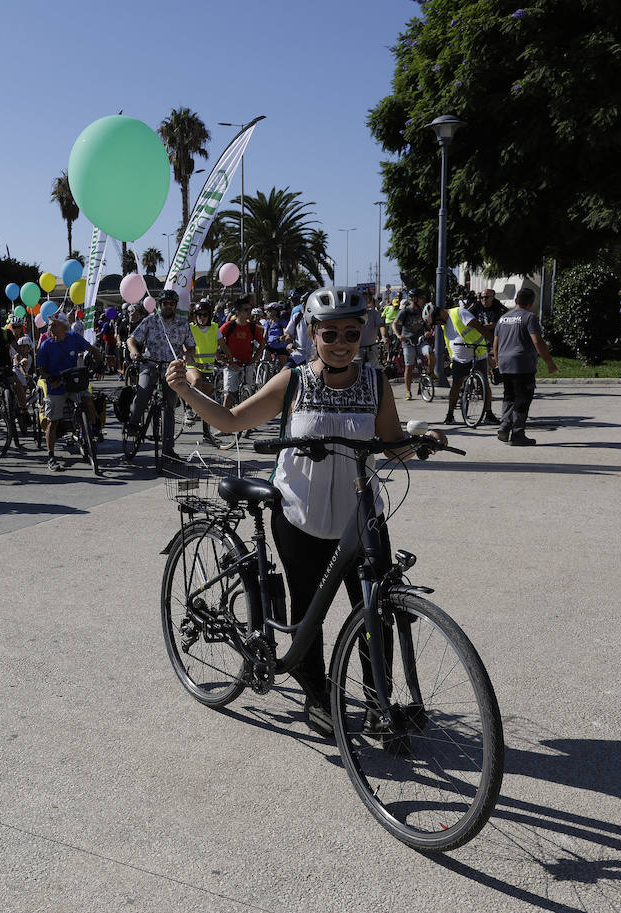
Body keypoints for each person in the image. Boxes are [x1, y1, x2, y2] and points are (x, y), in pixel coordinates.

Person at [164, 287, 448, 736]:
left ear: (363, 334)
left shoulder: (375, 383)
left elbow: (392, 447)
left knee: (377, 610)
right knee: (308, 612)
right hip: (299, 515)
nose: (341, 342)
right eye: (329, 333)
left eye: (351, 333)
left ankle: (379, 701)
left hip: (361, 517)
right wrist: (186, 390)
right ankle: (315, 694)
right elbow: (232, 420)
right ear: (312, 333)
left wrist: (423, 440)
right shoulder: (293, 379)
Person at [125, 288, 194, 460]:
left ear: (175, 306)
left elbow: (191, 345)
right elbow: (131, 340)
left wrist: (187, 354)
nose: (168, 307)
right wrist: (134, 352)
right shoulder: (150, 321)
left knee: (169, 406)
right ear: (159, 305)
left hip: (172, 368)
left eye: (171, 304)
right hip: (150, 363)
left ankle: (168, 449)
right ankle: (133, 424)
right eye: (165, 304)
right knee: (143, 390)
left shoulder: (183, 324)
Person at [492, 288, 557, 445]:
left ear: (516, 301)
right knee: (523, 398)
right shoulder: (529, 317)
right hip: (522, 364)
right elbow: (537, 341)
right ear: (532, 302)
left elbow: (496, 343)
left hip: (505, 363)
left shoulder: (503, 319)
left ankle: (504, 426)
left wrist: (497, 363)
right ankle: (518, 434)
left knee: (509, 396)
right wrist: (549, 362)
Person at [37, 313, 101, 471]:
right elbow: (41, 371)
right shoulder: (46, 345)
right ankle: (51, 456)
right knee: (53, 421)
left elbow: (94, 350)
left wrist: (99, 364)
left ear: (64, 326)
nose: (49, 327)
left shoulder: (73, 337)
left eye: (53, 324)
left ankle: (93, 432)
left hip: (74, 381)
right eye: (49, 324)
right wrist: (51, 378)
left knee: (88, 400)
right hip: (56, 385)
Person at [433, 297, 500, 426]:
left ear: (440, 314)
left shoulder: (459, 313)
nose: (437, 325)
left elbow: (480, 328)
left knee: (484, 384)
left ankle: (489, 413)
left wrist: (493, 343)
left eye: (436, 322)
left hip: (478, 352)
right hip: (459, 359)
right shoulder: (443, 324)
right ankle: (450, 414)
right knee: (456, 385)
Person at [217, 298, 263, 410]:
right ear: (237, 312)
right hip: (231, 365)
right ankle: (224, 424)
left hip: (247, 364)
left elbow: (262, 343)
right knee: (229, 396)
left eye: (250, 309)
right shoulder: (229, 326)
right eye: (246, 310)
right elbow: (215, 339)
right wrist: (219, 358)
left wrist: (255, 358)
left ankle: (244, 421)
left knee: (248, 395)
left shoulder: (252, 327)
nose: (249, 312)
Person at [392, 288, 434, 398]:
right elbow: (394, 324)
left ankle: (430, 375)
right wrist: (398, 335)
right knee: (408, 367)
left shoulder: (422, 311)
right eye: (421, 298)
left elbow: (428, 326)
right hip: (408, 342)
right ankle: (408, 391)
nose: (423, 300)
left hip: (420, 341)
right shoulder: (405, 311)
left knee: (431, 355)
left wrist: (428, 332)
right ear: (414, 299)